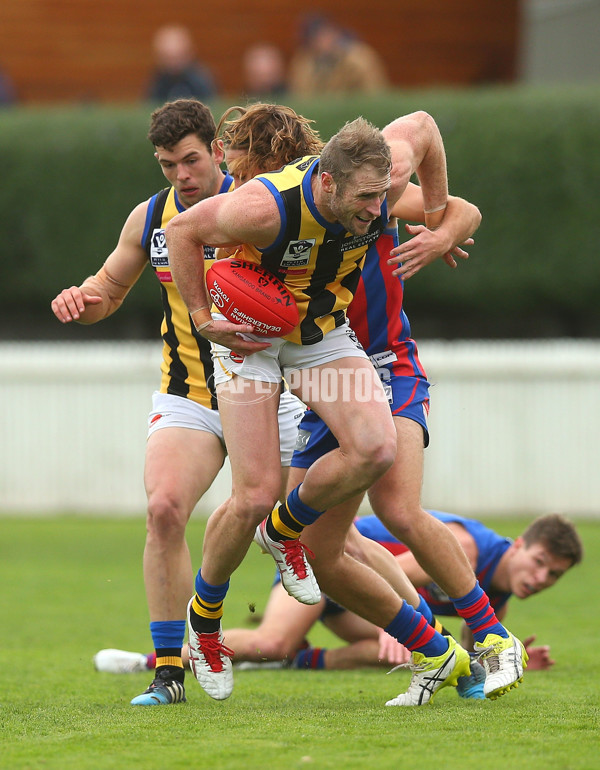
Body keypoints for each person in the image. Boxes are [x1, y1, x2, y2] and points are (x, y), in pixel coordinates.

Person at [165, 103, 520, 707]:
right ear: (321, 180)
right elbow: (181, 232)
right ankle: (205, 622)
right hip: (250, 341)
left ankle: (289, 532)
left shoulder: (377, 176)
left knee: (377, 452)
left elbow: (429, 128)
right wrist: (204, 320)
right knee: (253, 494)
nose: (377, 211)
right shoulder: (263, 205)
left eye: (383, 195)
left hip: (322, 339)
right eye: (368, 199)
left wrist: (437, 220)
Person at [50, 98, 305, 707]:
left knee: (332, 540)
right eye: (168, 165)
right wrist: (85, 299)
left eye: (190, 160)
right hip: (190, 395)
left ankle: (435, 639)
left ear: (218, 150)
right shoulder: (152, 218)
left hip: (273, 396)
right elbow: (110, 287)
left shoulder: (262, 206)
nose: (181, 176)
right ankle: (169, 672)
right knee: (164, 509)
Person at [94, 511, 582, 700]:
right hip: (328, 561)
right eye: (539, 562)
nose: (540, 579)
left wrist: (504, 666)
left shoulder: (498, 590)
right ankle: (155, 661)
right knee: (271, 639)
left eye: (553, 576)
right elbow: (401, 579)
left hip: (362, 598)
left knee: (390, 655)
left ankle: (294, 662)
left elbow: (473, 655)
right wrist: (402, 627)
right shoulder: (470, 551)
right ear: (518, 545)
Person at [289, 14, 389, 96]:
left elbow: (374, 93)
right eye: (315, 39)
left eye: (325, 35)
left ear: (335, 33)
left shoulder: (360, 58)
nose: (322, 42)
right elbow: (300, 96)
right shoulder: (304, 61)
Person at [145, 25, 217, 103]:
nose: (173, 65)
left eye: (177, 57)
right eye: (168, 58)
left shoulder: (201, 80)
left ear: (189, 53)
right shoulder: (156, 83)